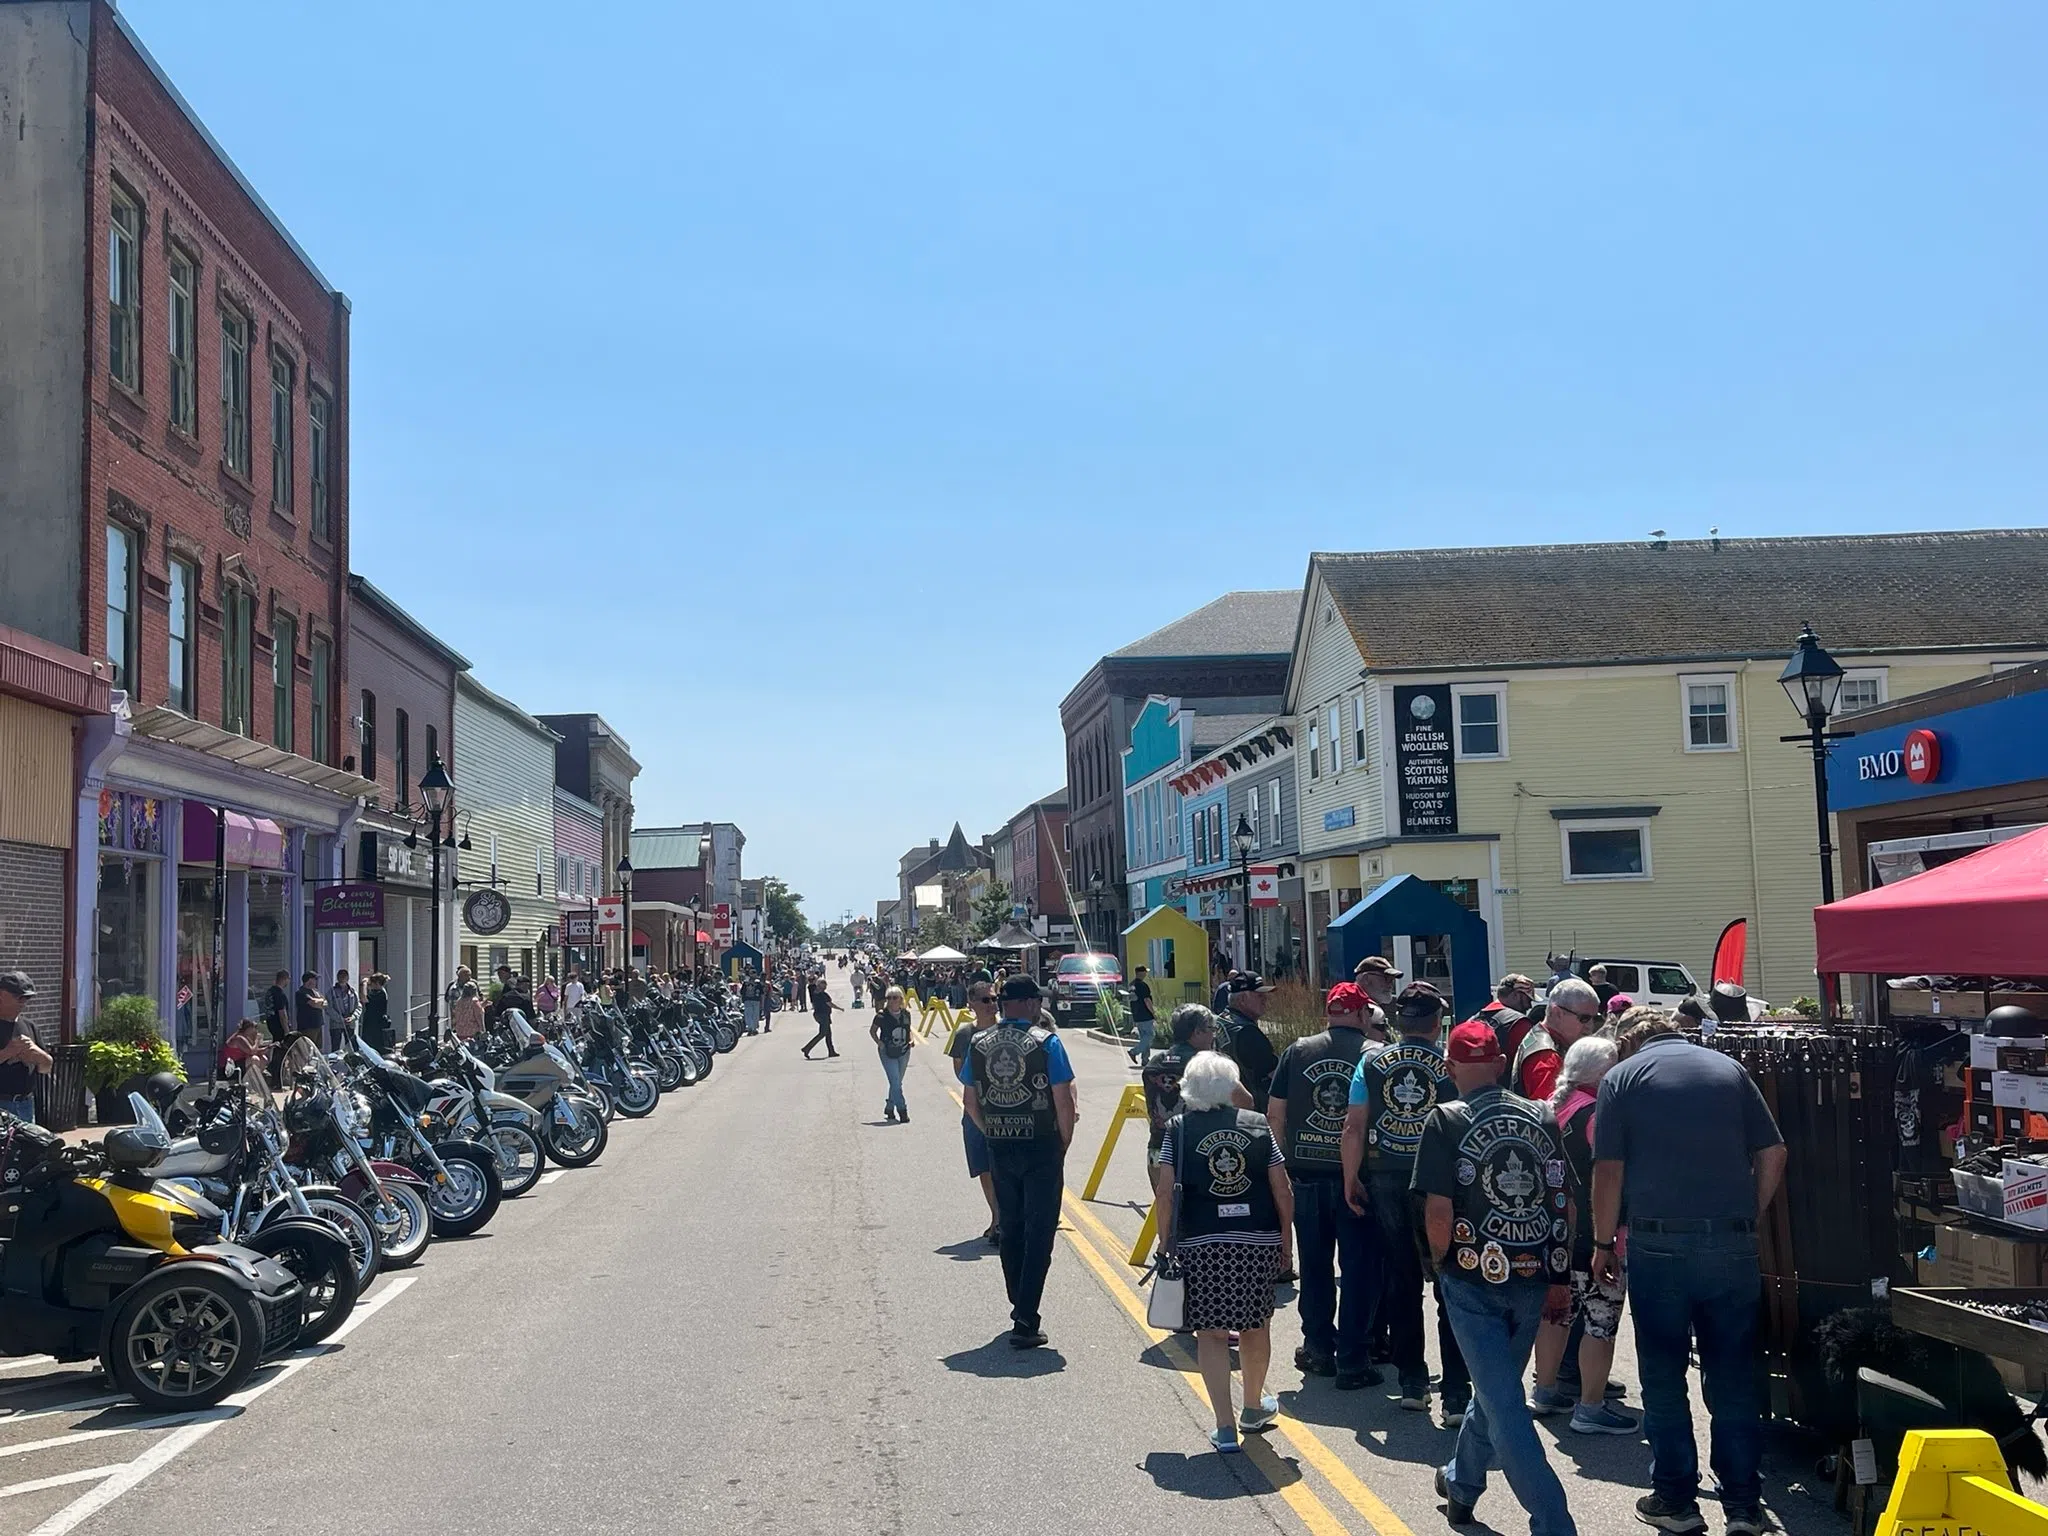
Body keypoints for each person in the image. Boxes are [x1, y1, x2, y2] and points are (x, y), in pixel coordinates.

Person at [1592, 1013, 1784, 1536]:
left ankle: (1676, 1499)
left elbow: (1608, 1169)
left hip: (1659, 1244)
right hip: (1730, 1241)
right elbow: (1773, 1151)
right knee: (1733, 1374)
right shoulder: (1729, 1069)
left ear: (1630, 1039)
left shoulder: (1622, 1078)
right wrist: (1751, 1214)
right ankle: (1744, 1505)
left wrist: (1602, 1242)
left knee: (1663, 1374)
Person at [1414, 1021, 1579, 1536]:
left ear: (1450, 1069)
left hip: (1472, 1279)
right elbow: (1565, 1203)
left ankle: (1554, 1524)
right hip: (1533, 1274)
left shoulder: (1445, 1120)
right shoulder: (1543, 1114)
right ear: (1501, 1064)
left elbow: (1438, 1211)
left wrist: (1439, 1264)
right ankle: (1461, 1483)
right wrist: (1558, 1270)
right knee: (1498, 1390)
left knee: (1504, 1403)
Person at [1153, 1050, 1294, 1453]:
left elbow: (1165, 1191)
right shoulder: (1257, 1125)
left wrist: (1165, 1241)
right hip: (1256, 1239)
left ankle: (1224, 1426)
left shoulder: (1178, 1130)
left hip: (1201, 1240)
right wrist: (1286, 1236)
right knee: (1255, 1324)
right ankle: (1252, 1407)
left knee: (1211, 1334)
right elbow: (1281, 1187)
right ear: (1231, 1086)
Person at [1345, 980, 1470, 1420]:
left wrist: (1350, 1178)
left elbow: (1354, 1126)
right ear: (1438, 1023)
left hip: (1387, 1177)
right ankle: (1457, 1389)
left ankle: (1413, 1379)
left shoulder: (1371, 1062)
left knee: (1401, 1280)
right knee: (1451, 1282)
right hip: (1443, 1184)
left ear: (1399, 1020)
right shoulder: (1453, 1065)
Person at [1267, 982, 1379, 1387]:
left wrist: (1279, 1168)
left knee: (1314, 1268)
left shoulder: (1297, 1051)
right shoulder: (1372, 1055)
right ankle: (1353, 1357)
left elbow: (1275, 1115)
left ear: (1329, 1013)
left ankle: (1317, 1349)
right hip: (1357, 1180)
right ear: (1362, 1014)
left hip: (1305, 1176)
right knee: (1357, 1270)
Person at [1529, 1033, 1638, 1435]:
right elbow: (1611, 1175)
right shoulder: (1597, 1115)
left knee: (1557, 1312)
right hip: (1599, 1235)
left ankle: (1545, 1389)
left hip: (1555, 1234)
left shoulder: (1548, 1110)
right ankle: (1590, 1406)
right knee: (1600, 1320)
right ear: (1603, 1073)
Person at [960, 976, 1078, 1348]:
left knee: (1010, 1228)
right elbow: (1063, 1100)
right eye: (1037, 1001)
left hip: (1000, 1143)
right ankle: (1025, 1318)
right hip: (1040, 1145)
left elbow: (969, 1101)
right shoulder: (1047, 1042)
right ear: (1027, 1003)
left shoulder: (979, 1044)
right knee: (1039, 1231)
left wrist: (991, 1130)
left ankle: (1019, 1301)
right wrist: (1063, 1143)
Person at [950, 980, 1003, 1242]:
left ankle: (1005, 1220)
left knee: (1007, 1167)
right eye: (985, 1000)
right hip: (976, 1111)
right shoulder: (964, 1035)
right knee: (984, 1167)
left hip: (1008, 1109)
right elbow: (960, 1072)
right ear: (971, 1004)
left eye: (994, 999)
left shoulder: (1008, 1030)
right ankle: (996, 1218)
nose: (992, 1004)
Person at [1513, 977, 1602, 1102]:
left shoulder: (1538, 1034)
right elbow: (1553, 1111)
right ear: (1558, 1013)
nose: (1590, 1026)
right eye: (1584, 1018)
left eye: (1596, 1019)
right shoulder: (1547, 1058)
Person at [1218, 974, 1281, 1105]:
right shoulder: (1248, 1032)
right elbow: (1276, 1075)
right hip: (1250, 1112)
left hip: (1223, 1105)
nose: (1265, 999)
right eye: (1259, 995)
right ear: (1241, 1000)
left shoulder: (1218, 1021)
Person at [0, 971, 52, 1123]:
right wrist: (7, 1052)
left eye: (27, 998)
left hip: (26, 1105)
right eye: (19, 997)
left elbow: (46, 1068)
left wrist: (40, 1056)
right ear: (1, 994)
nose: (23, 1002)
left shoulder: (30, 1026)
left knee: (28, 1147)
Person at [1471, 972, 1539, 1061]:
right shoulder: (1520, 1024)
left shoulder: (1473, 1020)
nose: (1529, 1006)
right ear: (1516, 995)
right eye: (1528, 1000)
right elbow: (1534, 1057)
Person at [871, 986, 914, 1122]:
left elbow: (908, 1029)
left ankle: (889, 1107)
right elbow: (872, 1031)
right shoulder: (881, 1015)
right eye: (889, 998)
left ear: (901, 999)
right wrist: (879, 1042)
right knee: (895, 1081)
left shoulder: (906, 1014)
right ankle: (902, 1111)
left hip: (904, 1050)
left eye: (894, 998)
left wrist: (912, 1039)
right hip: (887, 1051)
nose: (891, 1000)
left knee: (897, 1082)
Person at [801, 975, 839, 1059]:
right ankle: (807, 1048)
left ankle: (831, 1051)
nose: (825, 986)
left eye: (825, 984)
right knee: (822, 1033)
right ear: (819, 985)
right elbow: (829, 1004)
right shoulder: (822, 994)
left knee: (828, 1034)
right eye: (823, 984)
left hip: (820, 1015)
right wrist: (839, 1008)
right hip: (823, 1015)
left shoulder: (815, 993)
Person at [1127, 965, 1156, 1065]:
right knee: (1150, 1035)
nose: (1146, 974)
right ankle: (1133, 1052)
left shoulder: (1132, 985)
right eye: (1145, 972)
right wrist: (1153, 1012)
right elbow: (1147, 1000)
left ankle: (1145, 1060)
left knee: (1144, 1038)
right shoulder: (1142, 985)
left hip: (1137, 1015)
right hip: (1145, 1014)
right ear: (1141, 973)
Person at [358, 973, 394, 1049]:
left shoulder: (381, 993)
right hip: (372, 1022)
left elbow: (364, 998)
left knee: (372, 1045)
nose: (370, 985)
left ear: (377, 983)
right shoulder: (377, 992)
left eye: (372, 983)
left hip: (375, 1024)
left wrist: (364, 984)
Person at [324, 969, 358, 1045]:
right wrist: (340, 1019)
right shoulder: (331, 992)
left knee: (350, 1047)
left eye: (344, 976)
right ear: (337, 977)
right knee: (335, 1047)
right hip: (336, 1024)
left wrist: (353, 1017)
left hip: (350, 1024)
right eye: (341, 976)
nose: (342, 978)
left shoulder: (352, 992)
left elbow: (358, 1006)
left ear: (348, 978)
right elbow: (328, 1008)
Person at [293, 971, 328, 1044]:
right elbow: (314, 1003)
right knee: (309, 1048)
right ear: (309, 980)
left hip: (318, 1024)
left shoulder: (315, 991)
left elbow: (325, 1002)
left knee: (318, 1049)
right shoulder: (301, 992)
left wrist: (320, 1001)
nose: (316, 981)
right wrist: (320, 1002)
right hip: (308, 1026)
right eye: (315, 979)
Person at [263, 970, 293, 1051]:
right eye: (288, 979)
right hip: (279, 1026)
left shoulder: (270, 992)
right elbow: (282, 1014)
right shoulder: (279, 994)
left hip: (270, 1024)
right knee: (281, 1049)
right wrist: (286, 1031)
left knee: (275, 1046)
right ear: (285, 979)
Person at [740, 970, 765, 1036]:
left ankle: (752, 1029)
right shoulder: (748, 983)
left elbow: (762, 994)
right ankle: (752, 1029)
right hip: (751, 1000)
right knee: (752, 1015)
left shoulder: (746, 983)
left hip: (753, 1000)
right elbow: (742, 993)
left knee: (751, 1015)